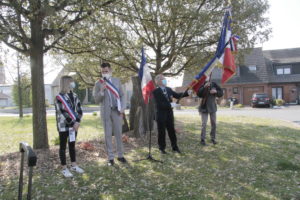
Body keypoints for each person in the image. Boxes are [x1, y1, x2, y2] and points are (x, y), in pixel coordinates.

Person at [93, 62, 127, 166]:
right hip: (105, 112)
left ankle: (120, 155)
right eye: (102, 72)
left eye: (106, 71)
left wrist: (122, 108)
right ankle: (110, 157)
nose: (104, 73)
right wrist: (102, 91)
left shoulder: (117, 81)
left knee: (118, 134)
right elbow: (96, 99)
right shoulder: (98, 83)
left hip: (117, 111)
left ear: (110, 71)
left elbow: (122, 95)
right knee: (107, 135)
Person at [152, 74, 190, 154]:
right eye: (163, 79)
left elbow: (177, 95)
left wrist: (187, 93)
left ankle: (175, 147)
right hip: (161, 115)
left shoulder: (169, 89)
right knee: (161, 132)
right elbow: (159, 104)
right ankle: (162, 148)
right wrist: (170, 105)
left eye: (165, 79)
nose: (165, 80)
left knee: (171, 131)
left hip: (169, 114)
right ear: (158, 81)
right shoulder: (155, 91)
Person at [55, 75, 84, 178]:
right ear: (66, 83)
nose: (73, 83)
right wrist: (73, 123)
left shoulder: (75, 95)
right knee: (63, 147)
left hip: (74, 126)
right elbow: (62, 112)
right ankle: (64, 168)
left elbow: (79, 109)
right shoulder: (59, 97)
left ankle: (74, 165)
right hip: (64, 126)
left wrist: (78, 121)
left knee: (72, 145)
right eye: (71, 82)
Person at [197, 80, 223, 145]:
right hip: (204, 107)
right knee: (204, 124)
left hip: (212, 107)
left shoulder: (214, 84)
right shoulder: (202, 84)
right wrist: (204, 87)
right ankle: (202, 140)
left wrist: (216, 91)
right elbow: (199, 94)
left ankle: (213, 139)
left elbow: (221, 93)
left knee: (214, 123)